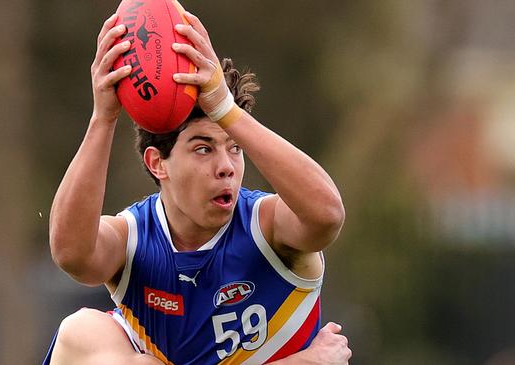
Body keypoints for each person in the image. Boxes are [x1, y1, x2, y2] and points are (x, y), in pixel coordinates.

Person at [44, 10, 352, 365]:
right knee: (79, 331)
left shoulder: (268, 228)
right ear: (157, 163)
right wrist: (103, 117)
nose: (226, 167)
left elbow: (327, 215)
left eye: (234, 147)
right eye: (203, 148)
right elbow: (71, 253)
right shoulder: (133, 241)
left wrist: (226, 110)